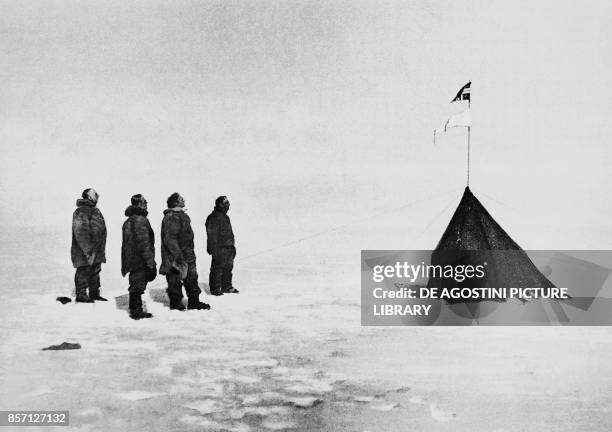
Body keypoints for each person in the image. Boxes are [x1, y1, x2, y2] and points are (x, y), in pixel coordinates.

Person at [159, 193, 211, 311]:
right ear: (175, 202)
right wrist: (178, 256)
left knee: (192, 277)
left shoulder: (181, 215)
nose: (184, 200)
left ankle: (194, 302)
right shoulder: (172, 217)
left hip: (187, 254)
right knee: (174, 279)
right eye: (181, 199)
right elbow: (170, 239)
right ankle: (176, 304)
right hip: (176, 256)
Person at [121, 194, 156, 320]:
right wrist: (150, 262)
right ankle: (136, 311)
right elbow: (144, 243)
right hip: (140, 259)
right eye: (144, 201)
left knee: (136, 284)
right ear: (138, 204)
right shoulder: (140, 220)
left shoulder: (129, 220)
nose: (147, 203)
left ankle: (135, 309)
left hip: (132, 259)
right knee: (137, 286)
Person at [71, 188, 107, 302]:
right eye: (95, 194)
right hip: (84, 251)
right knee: (83, 270)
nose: (98, 195)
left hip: (96, 250)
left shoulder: (95, 210)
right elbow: (80, 232)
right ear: (89, 197)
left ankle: (94, 293)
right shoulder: (81, 211)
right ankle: (81, 294)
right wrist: (87, 250)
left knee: (95, 271)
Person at [206, 196, 239, 295]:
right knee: (217, 268)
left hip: (229, 248)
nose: (228, 205)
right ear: (219, 204)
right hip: (219, 248)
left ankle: (227, 286)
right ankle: (215, 289)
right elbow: (212, 235)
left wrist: (232, 246)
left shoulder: (225, 216)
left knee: (228, 268)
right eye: (225, 203)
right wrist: (213, 249)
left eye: (228, 203)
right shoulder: (213, 217)